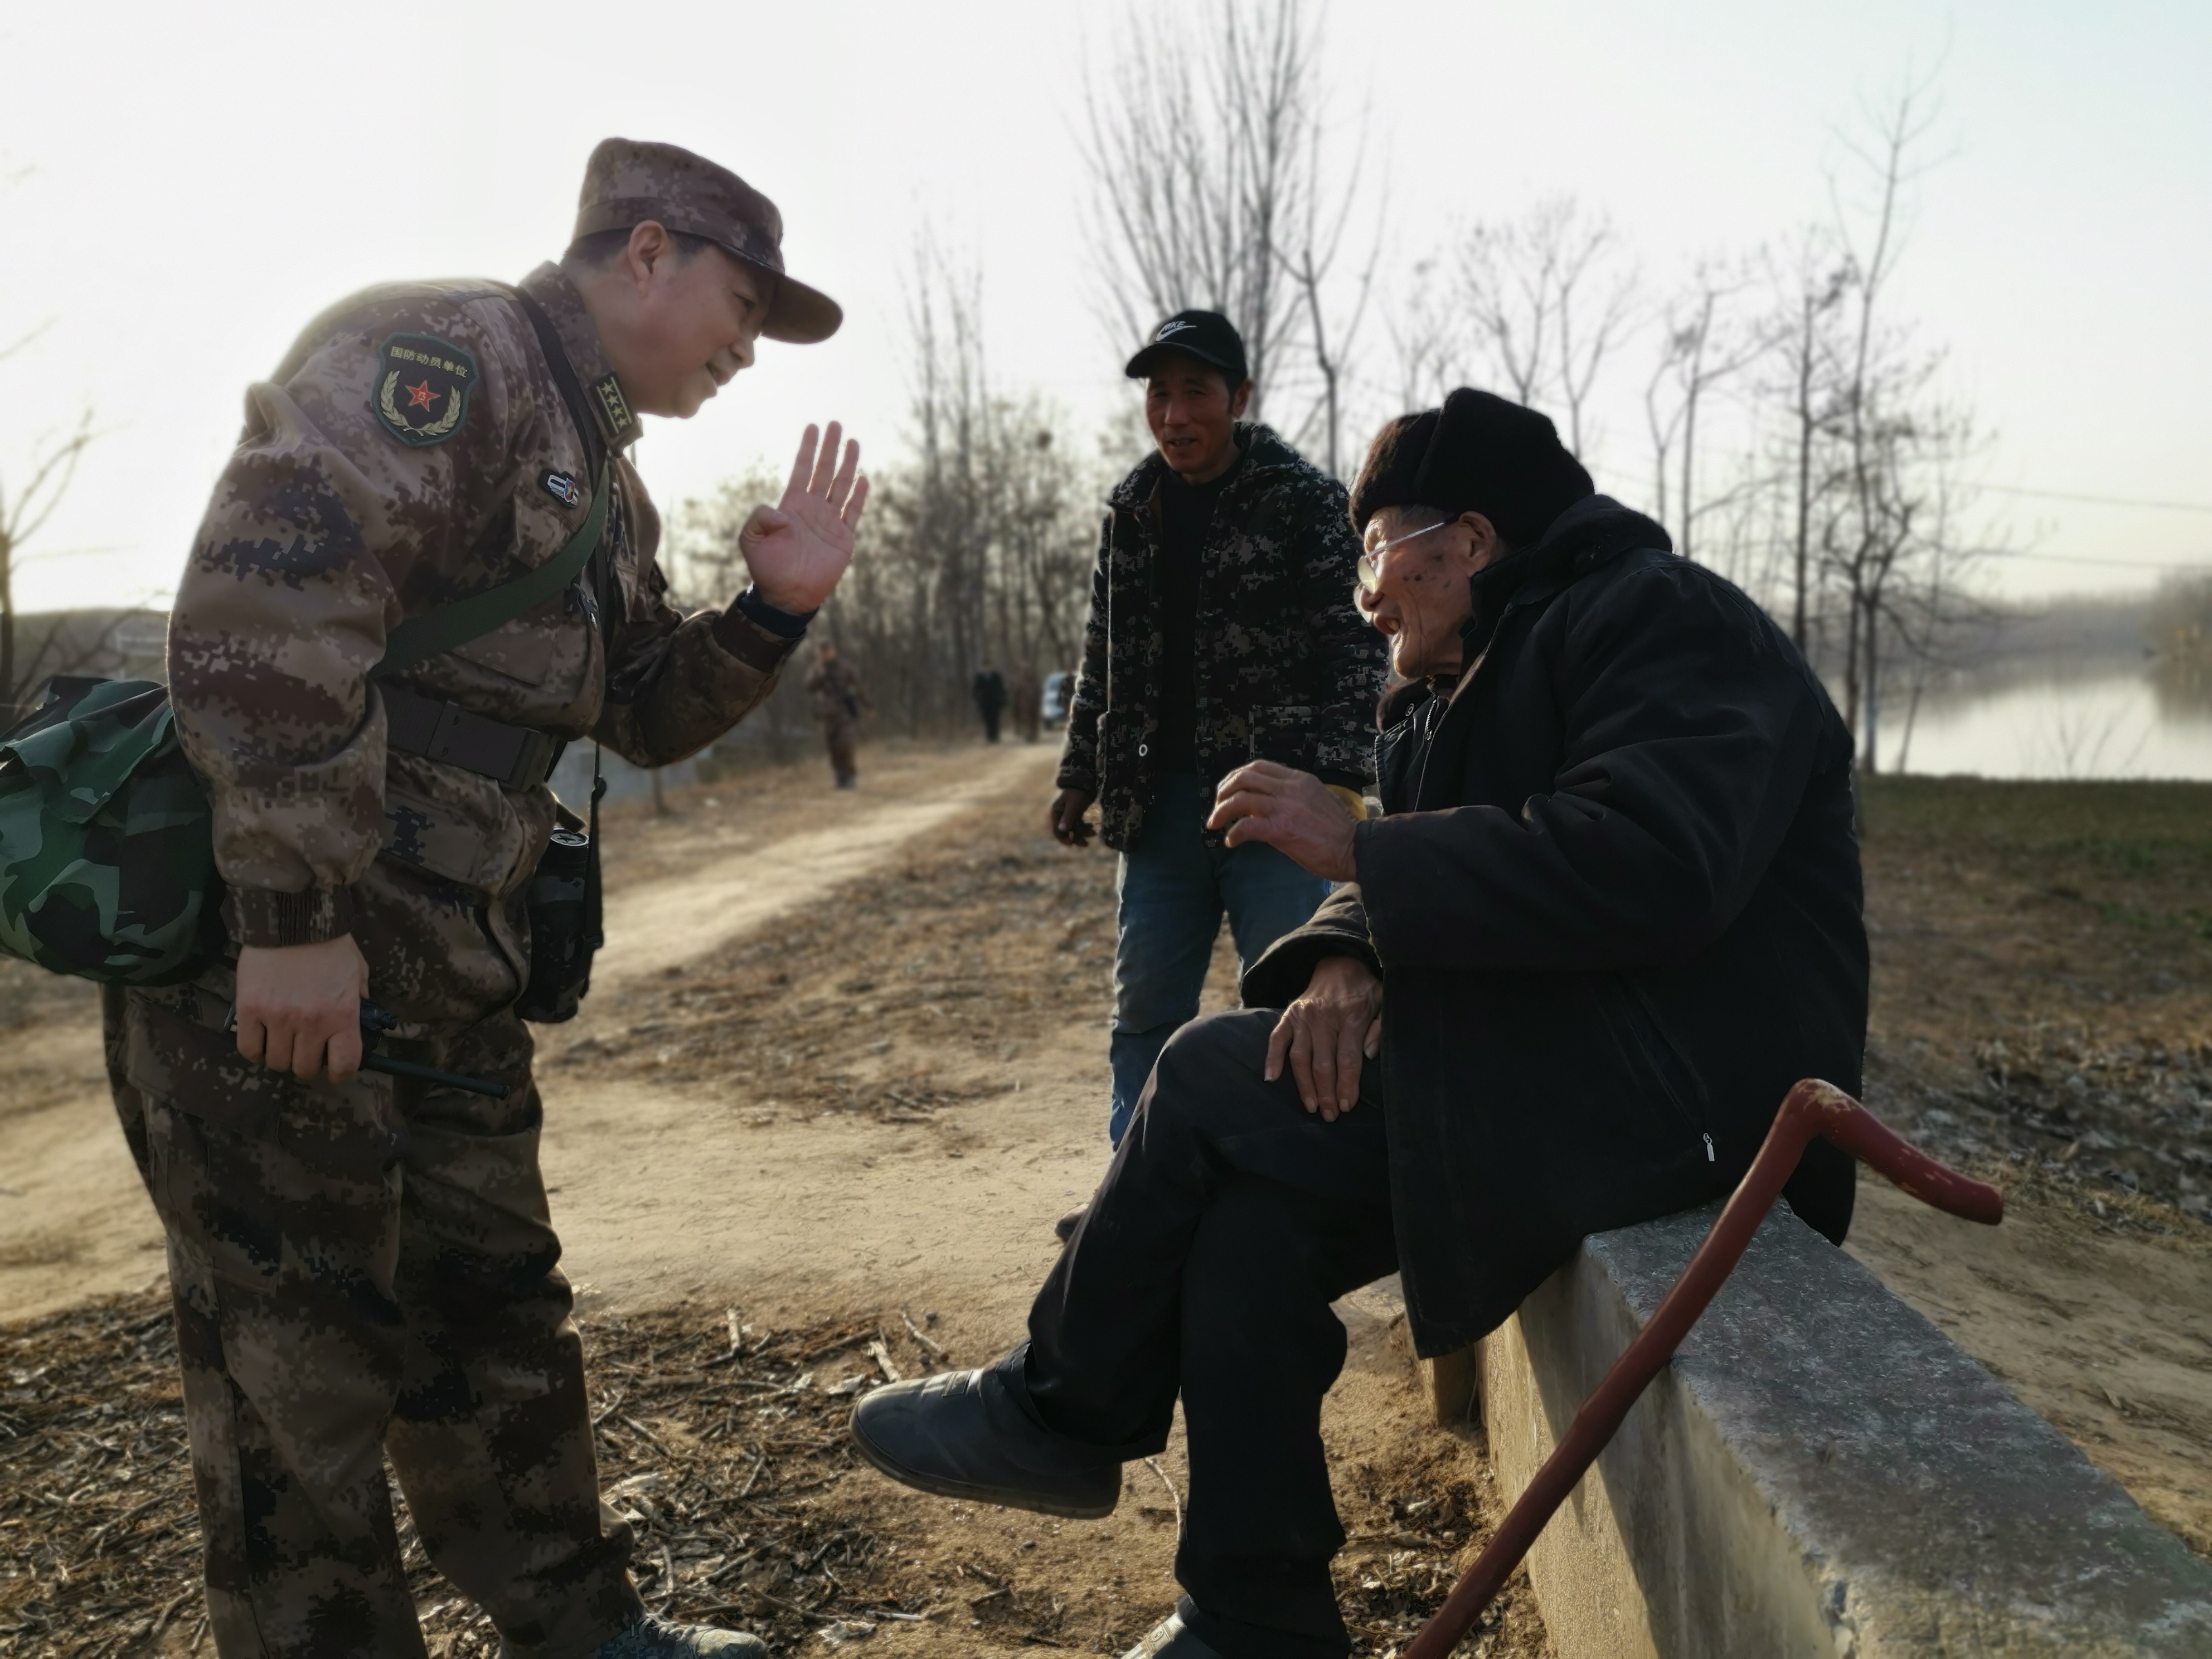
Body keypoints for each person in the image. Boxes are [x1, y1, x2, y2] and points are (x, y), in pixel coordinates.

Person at [852, 389, 1868, 1659]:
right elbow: (1417, 867)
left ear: (1470, 541)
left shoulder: (1661, 618)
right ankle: (1252, 1620)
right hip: (1557, 1070)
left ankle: (1060, 1410)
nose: (1364, 596)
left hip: (1692, 1093)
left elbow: (1656, 865)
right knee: (1249, 1228)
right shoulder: (1443, 695)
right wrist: (1344, 957)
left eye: (1375, 551)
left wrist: (1362, 853)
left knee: (1205, 1071)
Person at [105, 138, 866, 1659]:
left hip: (452, 978)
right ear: (643, 252)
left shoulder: (605, 483)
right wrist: (294, 922)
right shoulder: (450, 362)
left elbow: (638, 709)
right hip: (288, 976)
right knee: (299, 1381)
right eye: (741, 304)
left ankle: (582, 1633)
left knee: (501, 1319)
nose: (745, 348)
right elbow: (267, 607)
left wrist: (770, 613)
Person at [1050, 309, 1387, 1148]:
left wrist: (1338, 784)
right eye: (1158, 395)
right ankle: (1134, 1178)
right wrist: (1079, 773)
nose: (1173, 415)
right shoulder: (1132, 510)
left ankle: (1282, 1175)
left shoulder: (1302, 501)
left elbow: (1353, 648)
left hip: (1275, 806)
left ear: (1238, 398)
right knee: (1145, 1007)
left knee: (1285, 1003)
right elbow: (1104, 653)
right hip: (1156, 806)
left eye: (1194, 392)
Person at [806, 640, 870, 787]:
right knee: (833, 748)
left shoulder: (845, 667)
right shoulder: (817, 669)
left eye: (828, 652)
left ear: (833, 652)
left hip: (844, 712)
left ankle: (850, 775)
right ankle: (840, 776)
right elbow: (810, 688)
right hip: (827, 714)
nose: (826, 655)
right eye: (823, 653)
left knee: (846, 745)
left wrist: (868, 705)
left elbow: (858, 686)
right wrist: (819, 674)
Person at [972, 659, 1008, 742]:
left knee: (995, 719)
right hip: (985, 702)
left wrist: (1004, 699)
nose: (987, 669)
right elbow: (976, 689)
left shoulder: (996, 676)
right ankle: (989, 736)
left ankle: (996, 736)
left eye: (989, 667)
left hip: (995, 701)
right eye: (986, 667)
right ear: (983, 668)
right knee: (987, 719)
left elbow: (1001, 688)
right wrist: (976, 698)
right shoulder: (980, 677)